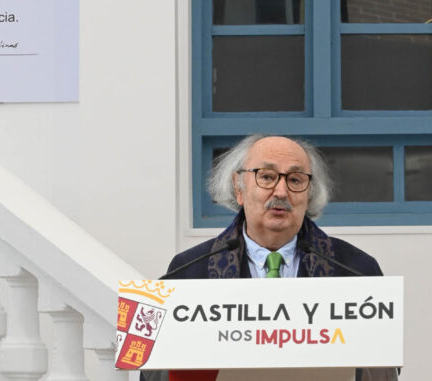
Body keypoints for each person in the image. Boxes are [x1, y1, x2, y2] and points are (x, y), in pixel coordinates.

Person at [141, 135, 396, 381]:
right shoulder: (188, 271)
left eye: (295, 180)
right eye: (266, 177)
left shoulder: (356, 270)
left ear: (308, 195)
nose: (281, 191)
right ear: (238, 188)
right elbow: (153, 371)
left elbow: (383, 369)